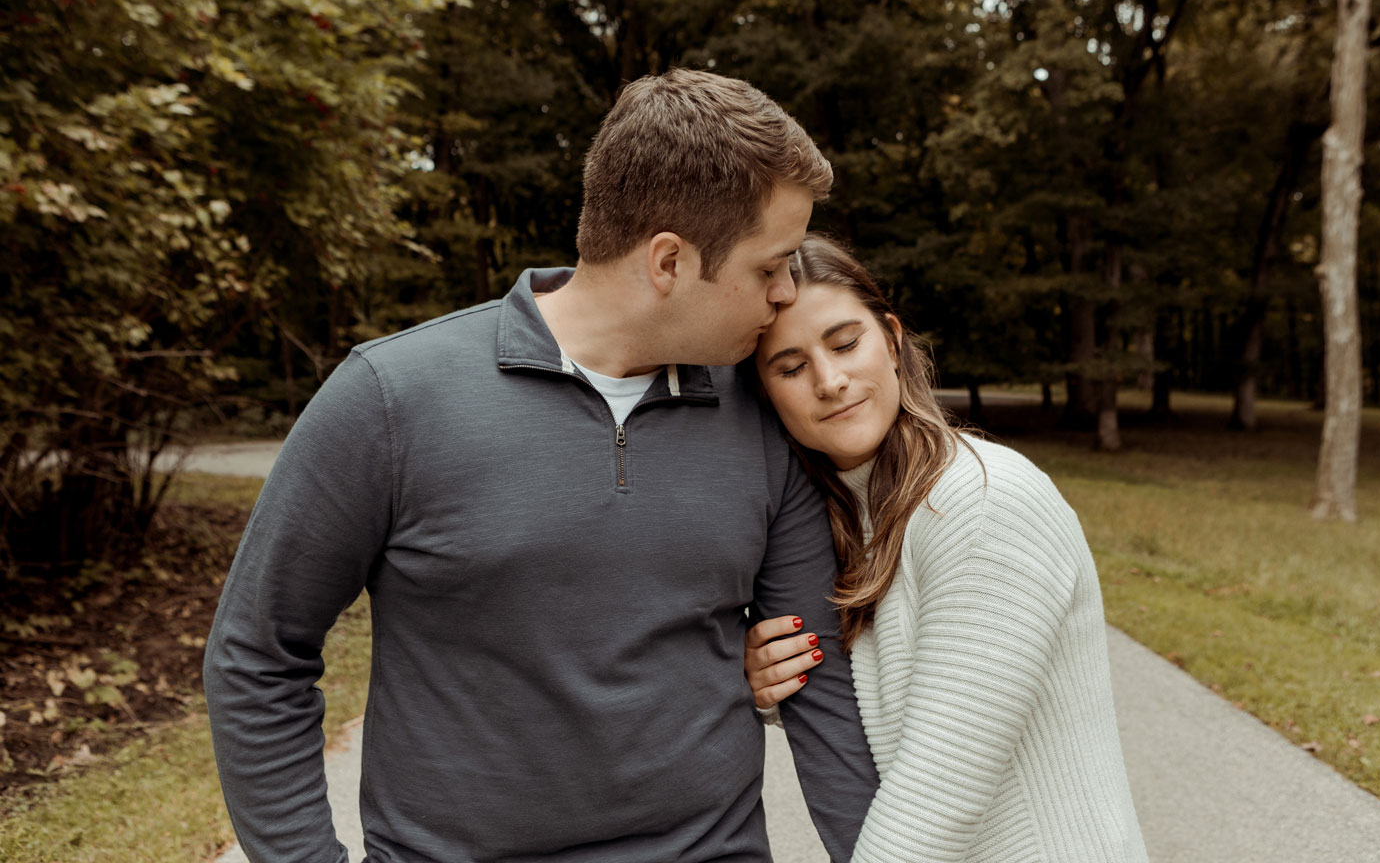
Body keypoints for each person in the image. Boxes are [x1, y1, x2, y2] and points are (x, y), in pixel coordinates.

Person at [204, 70, 879, 863]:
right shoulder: (392, 399)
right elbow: (258, 652)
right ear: (668, 262)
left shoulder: (759, 409)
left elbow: (820, 682)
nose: (786, 292)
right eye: (770, 267)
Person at [743, 235, 1149, 862]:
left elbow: (935, 801)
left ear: (893, 339)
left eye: (846, 342)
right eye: (790, 367)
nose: (830, 381)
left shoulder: (982, 501)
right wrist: (773, 683)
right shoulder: (844, 523)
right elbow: (899, 705)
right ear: (765, 393)